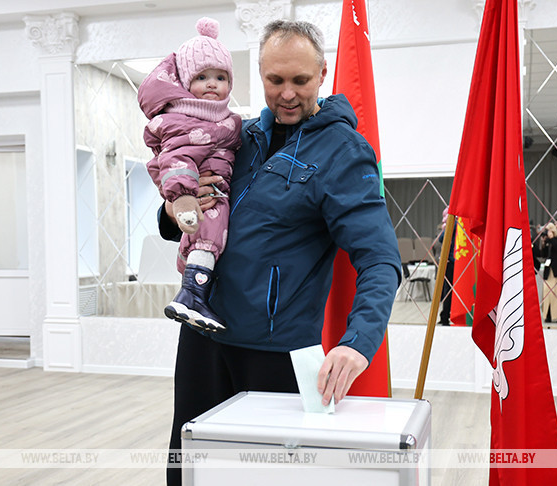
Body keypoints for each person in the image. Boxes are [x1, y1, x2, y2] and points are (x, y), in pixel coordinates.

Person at [156, 20, 401, 485]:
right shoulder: (234, 135)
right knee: (187, 472)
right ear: (261, 75)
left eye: (300, 81)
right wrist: (176, 209)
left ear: (323, 74)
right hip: (202, 340)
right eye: (275, 80)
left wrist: (357, 343)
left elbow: (380, 259)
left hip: (275, 356)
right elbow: (175, 221)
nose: (287, 93)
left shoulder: (345, 153)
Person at [139, 18, 243, 333]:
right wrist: (181, 200)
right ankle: (193, 294)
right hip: (203, 202)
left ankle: (194, 293)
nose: (212, 84)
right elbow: (175, 159)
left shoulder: (232, 125)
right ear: (185, 82)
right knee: (209, 227)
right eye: (202, 77)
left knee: (211, 228)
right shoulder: (182, 120)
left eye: (220, 77)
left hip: (219, 206)